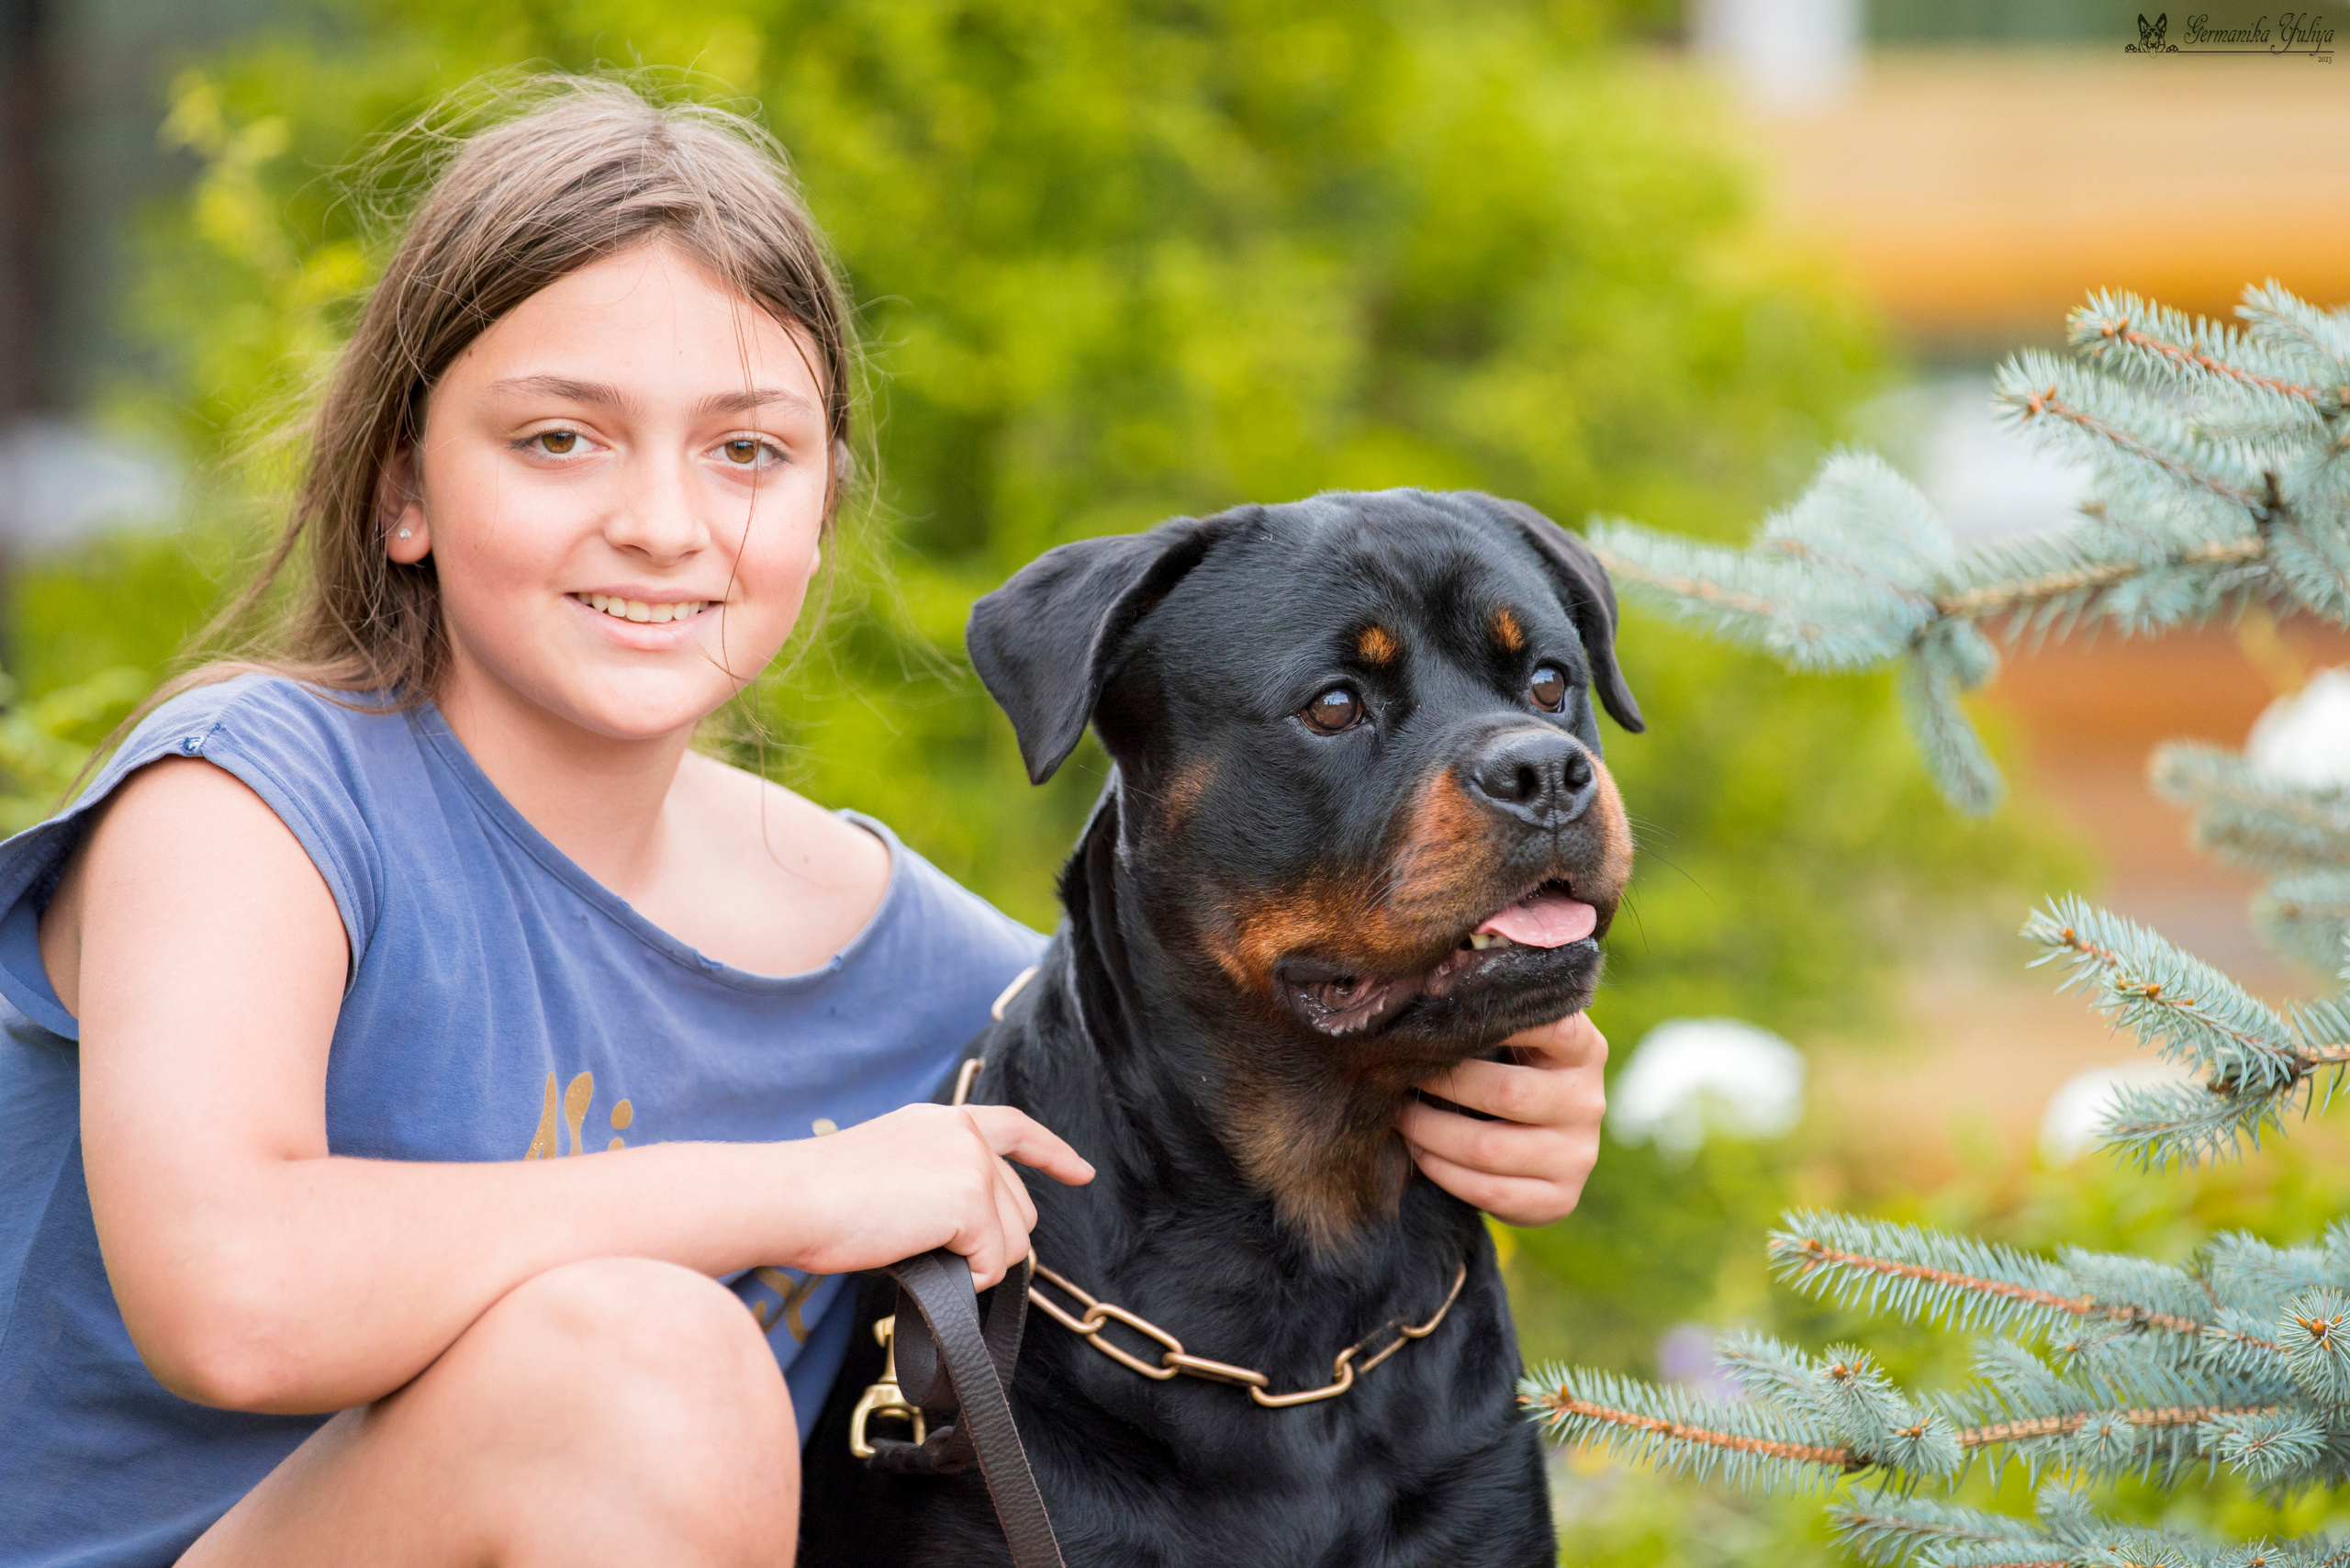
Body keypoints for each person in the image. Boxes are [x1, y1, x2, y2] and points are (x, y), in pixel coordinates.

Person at [0, 77, 1611, 1567]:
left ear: (823, 500)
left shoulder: (902, 961)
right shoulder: (251, 802)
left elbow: (1193, 1050)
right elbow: (235, 1296)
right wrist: (787, 1187)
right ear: (401, 491)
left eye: (746, 450)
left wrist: (1485, 1075)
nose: (659, 519)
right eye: (559, 437)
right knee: (639, 1366)